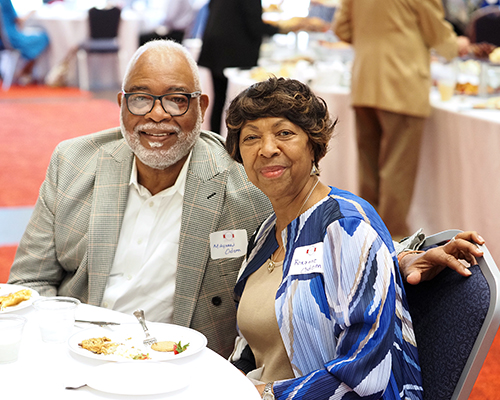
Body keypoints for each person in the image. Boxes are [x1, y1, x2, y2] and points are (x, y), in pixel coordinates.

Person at [7, 39, 272, 358]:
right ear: (122, 103)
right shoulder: (73, 163)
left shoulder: (247, 183)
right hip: (80, 351)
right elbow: (30, 281)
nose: (157, 114)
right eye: (141, 99)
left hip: (184, 366)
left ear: (202, 107)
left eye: (176, 100)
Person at [225, 76, 422, 399]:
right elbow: (249, 348)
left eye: (284, 133)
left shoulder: (346, 226)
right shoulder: (266, 233)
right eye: (251, 138)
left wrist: (267, 393)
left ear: (314, 144)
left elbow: (367, 372)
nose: (267, 149)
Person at [332, 0, 470, 241]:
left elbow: (342, 28)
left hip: (365, 80)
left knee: (369, 168)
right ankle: (393, 240)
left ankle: (365, 235)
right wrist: (456, 44)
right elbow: (436, 31)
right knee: (398, 169)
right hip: (402, 83)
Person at [197, 0, 290, 134]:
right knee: (240, 104)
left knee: (219, 99)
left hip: (215, 45)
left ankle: (216, 140)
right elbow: (255, 26)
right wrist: (282, 28)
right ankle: (234, 145)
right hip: (233, 52)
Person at [0, 0, 49, 84]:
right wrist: (31, 13)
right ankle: (26, 72)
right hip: (12, 38)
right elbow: (18, 20)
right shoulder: (5, 1)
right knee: (43, 37)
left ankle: (25, 72)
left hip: (2, 39)